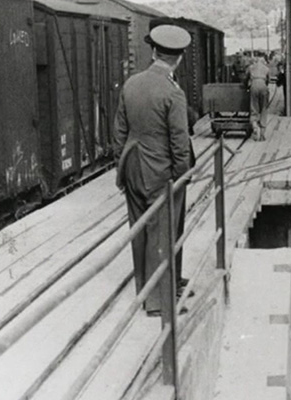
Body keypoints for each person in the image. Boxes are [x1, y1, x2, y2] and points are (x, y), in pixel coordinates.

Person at [114, 25, 192, 316]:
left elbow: (119, 132)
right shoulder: (173, 93)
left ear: (154, 52)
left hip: (132, 165)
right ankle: (158, 302)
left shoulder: (131, 83)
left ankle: (163, 283)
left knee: (140, 230)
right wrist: (182, 174)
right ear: (179, 58)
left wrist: (121, 166)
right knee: (163, 230)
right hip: (162, 169)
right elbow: (180, 142)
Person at [246, 56, 270, 141]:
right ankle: (262, 132)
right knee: (264, 107)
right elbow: (268, 81)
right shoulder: (266, 68)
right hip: (263, 85)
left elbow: (246, 78)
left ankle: (255, 126)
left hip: (254, 85)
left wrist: (247, 86)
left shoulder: (251, 67)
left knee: (254, 107)